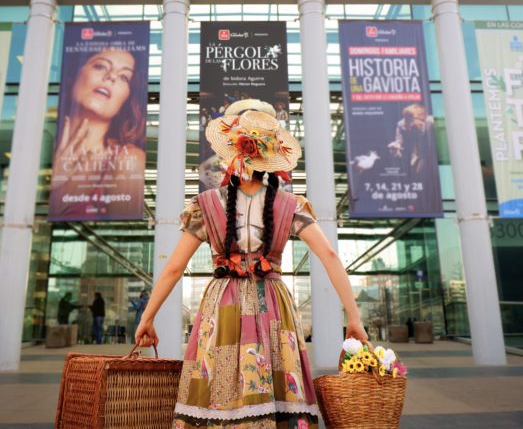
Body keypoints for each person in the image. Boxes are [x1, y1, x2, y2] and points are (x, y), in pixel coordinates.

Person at [135, 99, 368, 428]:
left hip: (222, 308)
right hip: (273, 305)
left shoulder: (205, 205)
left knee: (220, 388)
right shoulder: (291, 205)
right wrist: (353, 317)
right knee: (278, 388)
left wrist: (148, 317)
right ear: (271, 160)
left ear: (229, 154)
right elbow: (330, 256)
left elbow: (174, 269)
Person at [49, 46, 147, 219]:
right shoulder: (43, 145)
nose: (111, 76)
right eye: (100, 66)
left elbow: (122, 236)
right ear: (74, 76)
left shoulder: (128, 158)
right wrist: (52, 185)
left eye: (124, 77)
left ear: (126, 100)